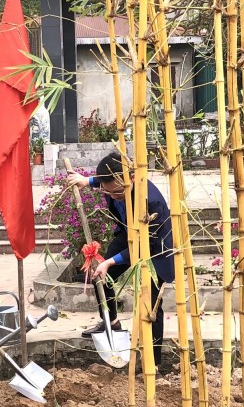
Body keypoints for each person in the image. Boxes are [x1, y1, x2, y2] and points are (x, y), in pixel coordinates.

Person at [68, 152, 174, 364]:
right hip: (127, 235)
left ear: (132, 177)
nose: (114, 196)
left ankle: (153, 363)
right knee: (101, 275)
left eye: (117, 193)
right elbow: (102, 182)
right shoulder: (112, 183)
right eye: (109, 192)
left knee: (151, 305)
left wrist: (110, 261)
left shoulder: (151, 203)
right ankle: (112, 321)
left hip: (154, 250)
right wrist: (84, 181)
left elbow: (147, 247)